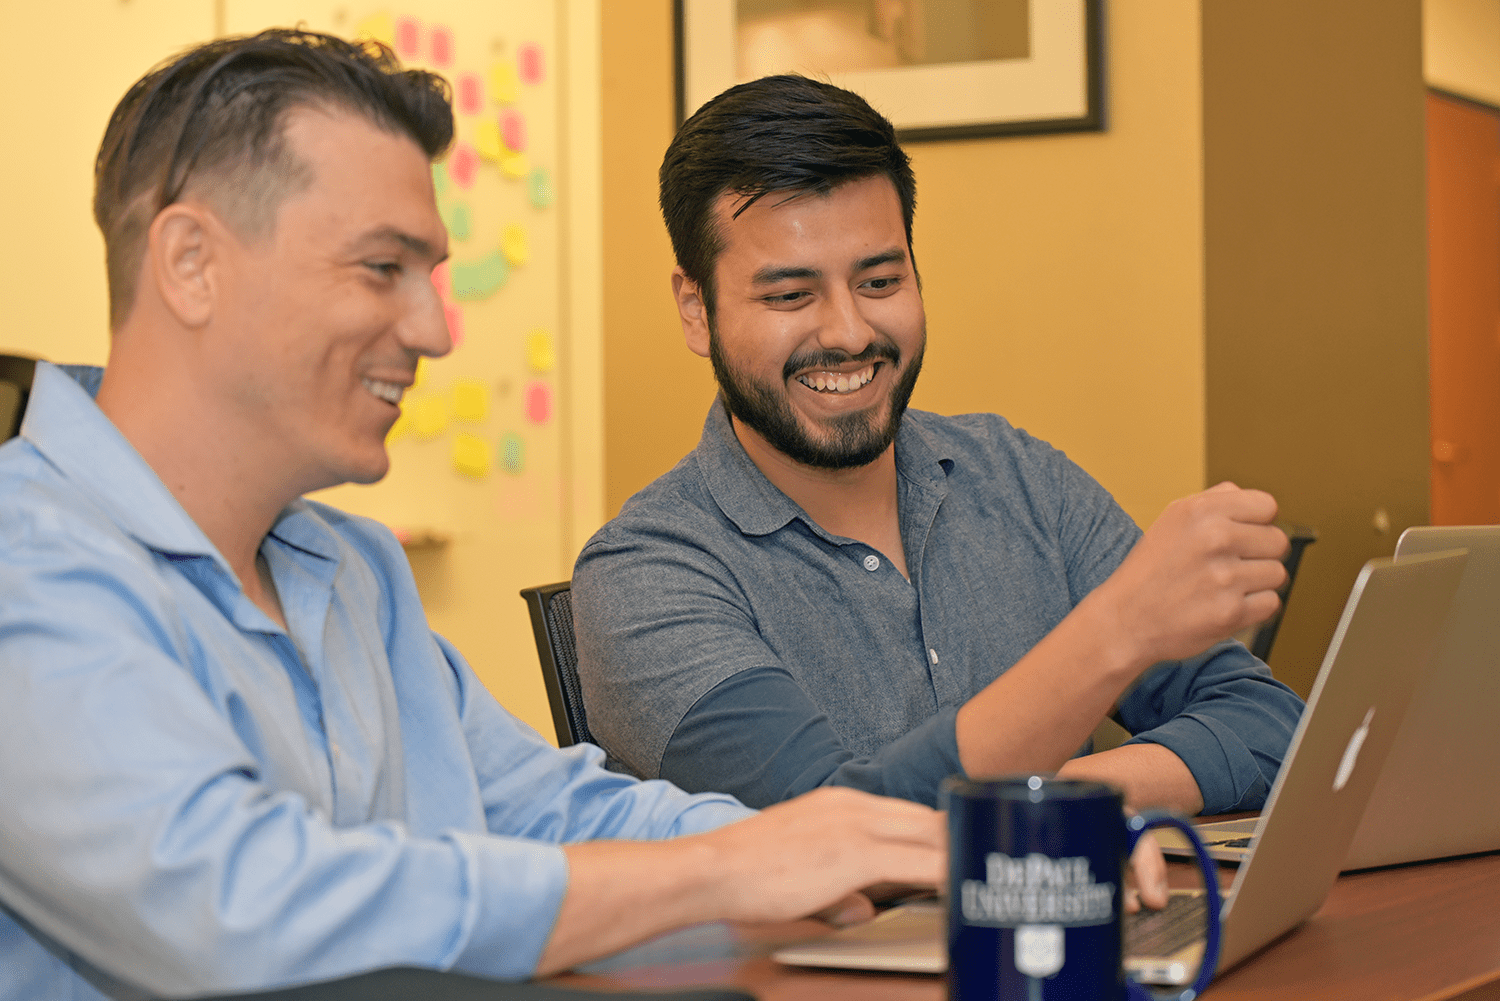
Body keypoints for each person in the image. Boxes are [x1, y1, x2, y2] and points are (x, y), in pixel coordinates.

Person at [0, 34, 947, 1001]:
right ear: (190, 261)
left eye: (432, 275)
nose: (435, 330)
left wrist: (839, 842)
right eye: (382, 268)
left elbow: (540, 811)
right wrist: (728, 869)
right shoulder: (26, 566)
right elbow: (233, 907)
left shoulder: (349, 571)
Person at [571, 75, 1305, 818]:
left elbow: (1271, 727)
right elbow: (834, 827)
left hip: (1057, 928)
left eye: (881, 279)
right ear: (697, 311)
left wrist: (1067, 798)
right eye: (791, 296)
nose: (850, 331)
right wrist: (1114, 630)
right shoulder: (642, 574)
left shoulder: (1020, 478)